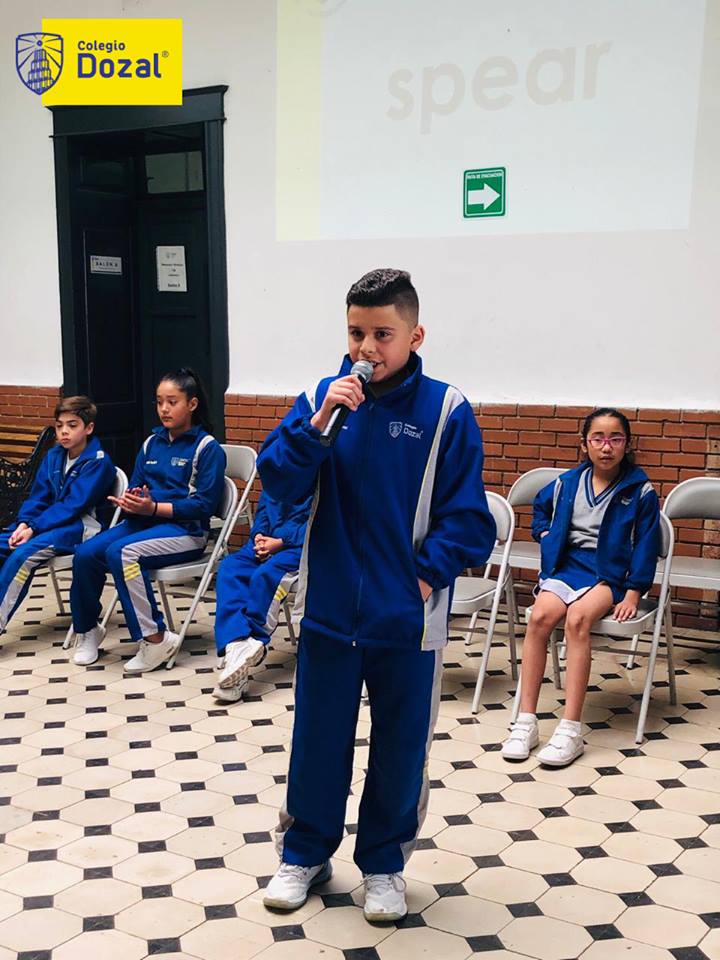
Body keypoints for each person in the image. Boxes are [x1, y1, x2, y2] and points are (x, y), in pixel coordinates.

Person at [255, 268, 496, 923]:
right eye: (356, 332)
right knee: (317, 741)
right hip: (329, 611)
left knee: (400, 749)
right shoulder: (320, 398)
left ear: (414, 336)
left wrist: (422, 577)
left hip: (407, 620)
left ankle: (385, 866)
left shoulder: (446, 410)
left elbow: (469, 520)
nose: (366, 348)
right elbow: (277, 481)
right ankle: (304, 854)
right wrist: (319, 422)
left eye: (382, 334)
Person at [502, 407, 660, 768]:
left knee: (577, 620)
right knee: (539, 618)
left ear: (627, 444)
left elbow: (647, 544)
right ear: (584, 444)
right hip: (567, 566)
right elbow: (540, 509)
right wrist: (545, 535)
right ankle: (526, 722)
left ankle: (570, 729)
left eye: (615, 439)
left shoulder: (640, 490)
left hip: (609, 574)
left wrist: (634, 591)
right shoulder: (567, 482)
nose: (606, 447)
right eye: (598, 438)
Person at [69, 368, 226, 669]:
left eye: (172, 402)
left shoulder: (208, 449)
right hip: (142, 523)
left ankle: (155, 639)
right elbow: (138, 486)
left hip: (185, 532)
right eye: (159, 402)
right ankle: (88, 630)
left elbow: (203, 506)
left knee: (122, 553)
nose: (164, 409)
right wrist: (131, 501)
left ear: (192, 404)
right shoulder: (151, 444)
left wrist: (153, 508)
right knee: (86, 553)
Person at [0, 396, 115, 636]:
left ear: (89, 428)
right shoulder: (54, 456)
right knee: (6, 542)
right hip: (46, 525)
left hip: (81, 527)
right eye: (59, 425)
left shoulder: (98, 462)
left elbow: (72, 506)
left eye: (72, 425)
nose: (64, 431)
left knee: (23, 555)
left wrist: (33, 528)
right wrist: (24, 523)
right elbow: (38, 497)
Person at [213, 489, 312, 702]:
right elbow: (264, 511)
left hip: (301, 547)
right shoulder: (276, 473)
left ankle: (252, 642)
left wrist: (282, 541)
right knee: (230, 567)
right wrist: (258, 536)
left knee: (265, 576)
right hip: (267, 542)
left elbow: (322, 523)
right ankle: (237, 646)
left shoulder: (324, 475)